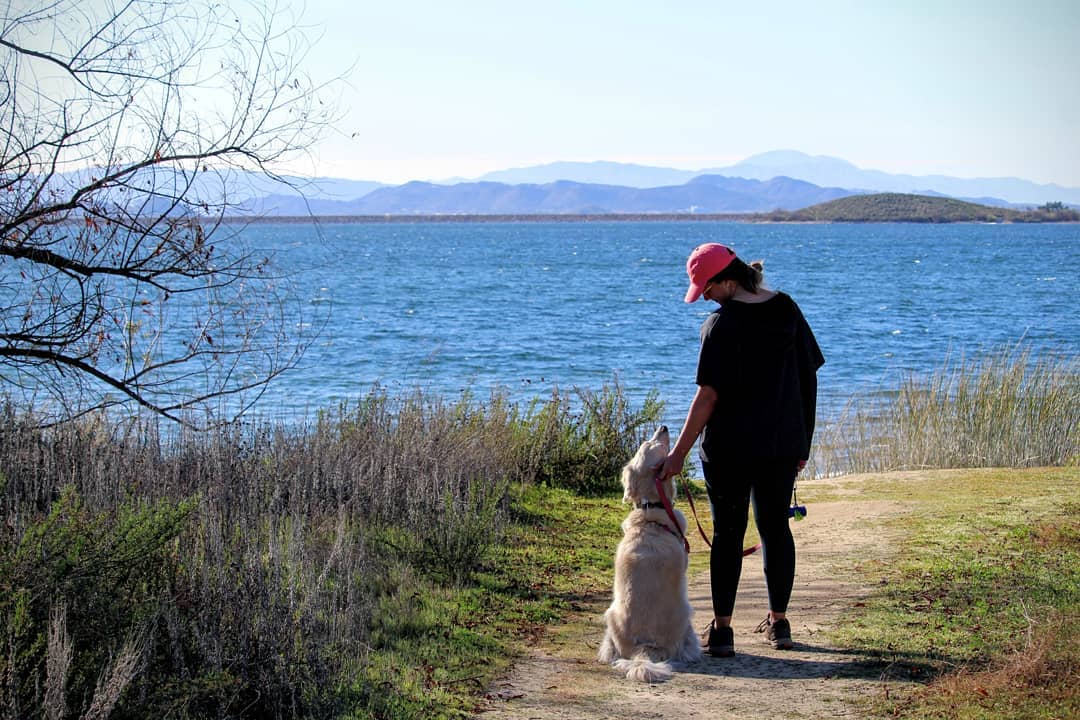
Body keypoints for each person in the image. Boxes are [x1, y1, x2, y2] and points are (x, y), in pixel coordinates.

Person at [657, 242, 824, 657]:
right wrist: (802, 440)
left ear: (726, 280)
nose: (705, 297)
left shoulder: (720, 326)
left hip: (728, 449)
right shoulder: (787, 309)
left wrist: (677, 454)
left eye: (707, 289)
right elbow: (808, 379)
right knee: (774, 529)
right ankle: (780, 624)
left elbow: (707, 397)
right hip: (780, 444)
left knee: (727, 537)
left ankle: (723, 631)